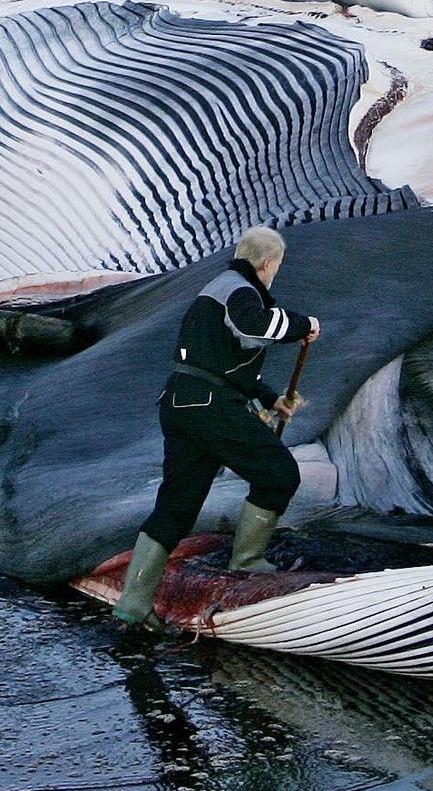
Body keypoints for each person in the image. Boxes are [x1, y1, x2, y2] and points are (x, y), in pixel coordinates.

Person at [113, 228, 319, 628]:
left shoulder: (217, 288)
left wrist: (268, 396)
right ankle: (247, 561)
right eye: (277, 265)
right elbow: (256, 326)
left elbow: (220, 359)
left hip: (180, 401)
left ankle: (133, 605)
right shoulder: (241, 290)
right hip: (210, 406)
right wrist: (302, 324)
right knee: (278, 474)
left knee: (176, 507)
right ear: (268, 263)